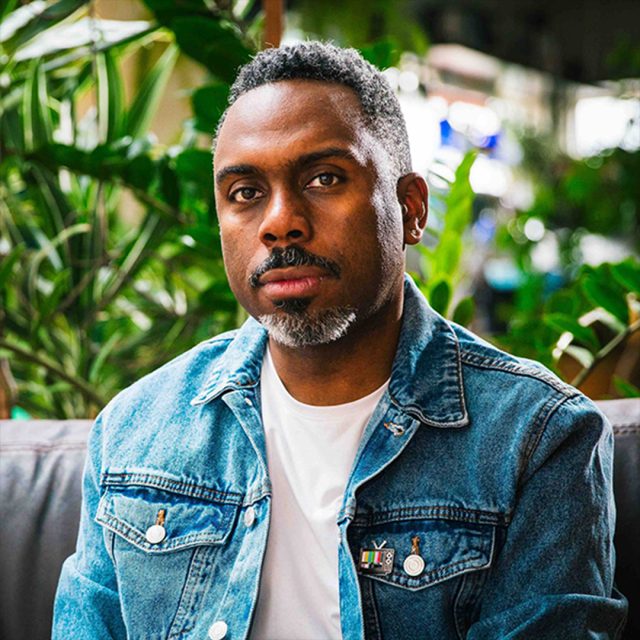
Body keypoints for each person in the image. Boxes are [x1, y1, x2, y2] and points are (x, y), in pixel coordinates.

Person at [53, 42, 627, 639]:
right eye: (246, 192)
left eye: (324, 179)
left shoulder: (538, 439)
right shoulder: (134, 432)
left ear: (411, 209)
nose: (280, 222)